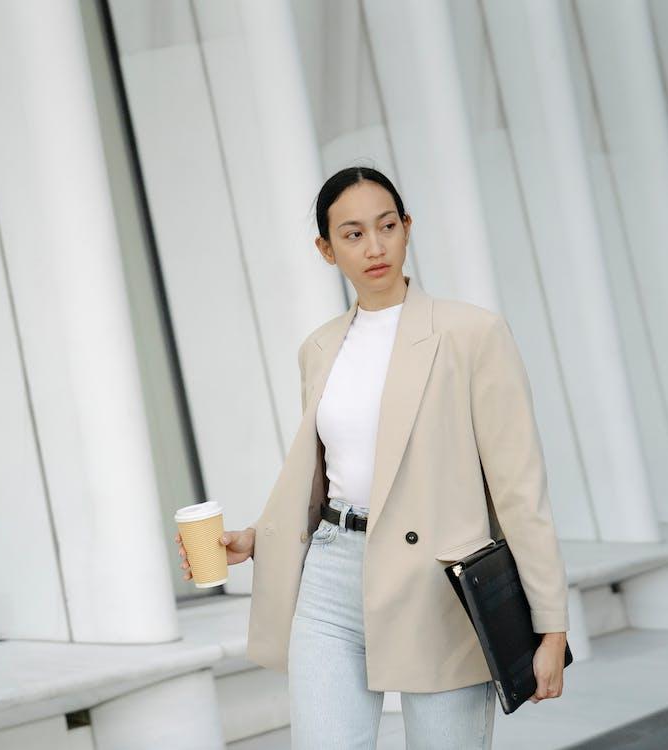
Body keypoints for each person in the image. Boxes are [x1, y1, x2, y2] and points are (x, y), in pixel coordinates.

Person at [175, 167, 569, 749]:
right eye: (353, 233)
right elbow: (331, 475)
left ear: (407, 229)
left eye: (387, 226)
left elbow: (518, 490)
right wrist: (258, 537)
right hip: (331, 579)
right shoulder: (319, 348)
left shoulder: (472, 334)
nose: (375, 246)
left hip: (439, 587)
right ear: (326, 249)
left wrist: (551, 626)